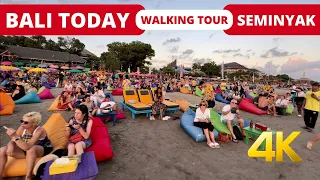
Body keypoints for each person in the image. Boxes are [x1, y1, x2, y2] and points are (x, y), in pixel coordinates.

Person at [0, 112, 53, 180]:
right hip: (25, 149)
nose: (22, 124)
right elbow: (12, 141)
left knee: (31, 149)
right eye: (22, 121)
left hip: (42, 148)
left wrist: (15, 136)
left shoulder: (40, 130)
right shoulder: (22, 128)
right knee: (2, 149)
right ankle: (0, 175)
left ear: (34, 124)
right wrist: (10, 145)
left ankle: (28, 176)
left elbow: (27, 146)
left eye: (26, 122)